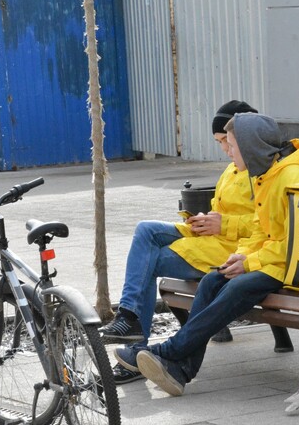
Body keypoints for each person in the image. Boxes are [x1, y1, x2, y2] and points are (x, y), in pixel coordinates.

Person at [113, 113, 299, 396]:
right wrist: (242, 256)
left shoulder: (294, 177)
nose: (228, 151)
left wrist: (250, 261)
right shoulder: (267, 176)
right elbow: (260, 229)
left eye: (232, 145)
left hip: (291, 265)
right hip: (268, 260)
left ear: (251, 146)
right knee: (212, 280)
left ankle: (169, 350)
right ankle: (180, 370)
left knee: (238, 286)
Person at [100, 100, 259, 383]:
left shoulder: (260, 171)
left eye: (227, 141)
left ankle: (134, 343)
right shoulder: (234, 168)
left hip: (230, 251)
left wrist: (224, 224)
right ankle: (129, 318)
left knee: (145, 263)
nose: (224, 149)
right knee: (145, 230)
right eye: (220, 142)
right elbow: (226, 211)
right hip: (213, 239)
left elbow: (268, 224)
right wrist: (203, 220)